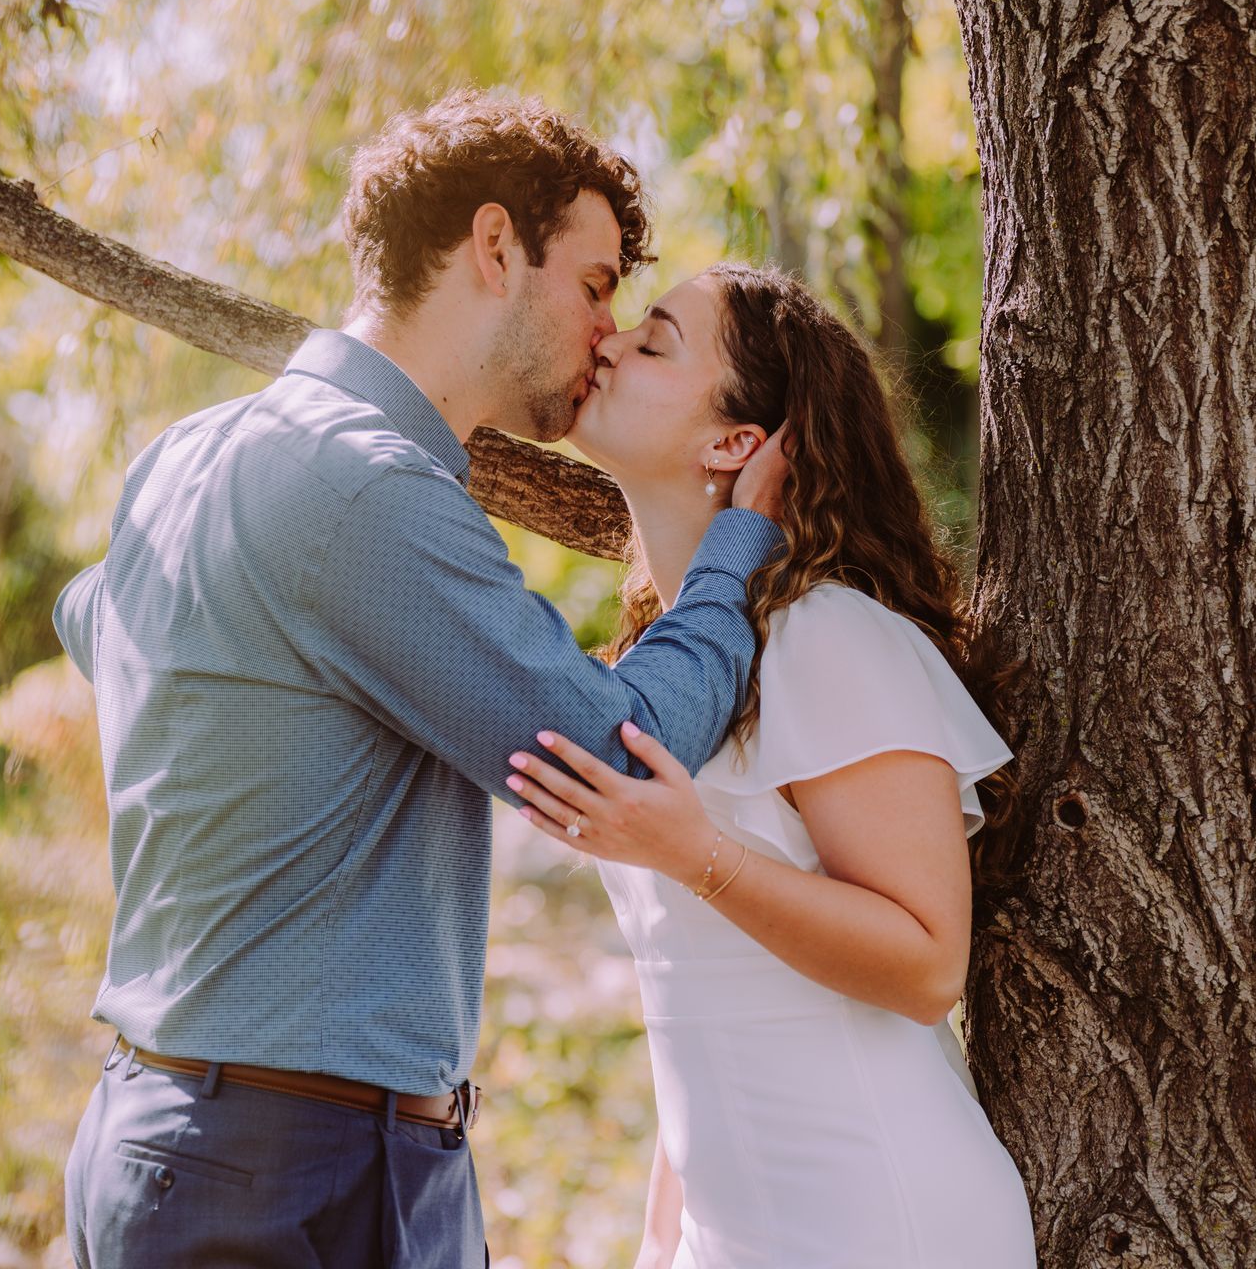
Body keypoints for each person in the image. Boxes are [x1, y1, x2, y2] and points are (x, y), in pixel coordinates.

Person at [54, 92, 792, 1268]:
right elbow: (619, 753)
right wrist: (746, 545)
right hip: (289, 1174)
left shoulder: (185, 456)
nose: (608, 331)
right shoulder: (365, 487)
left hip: (189, 1141)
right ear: (496, 248)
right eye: (596, 284)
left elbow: (88, 615)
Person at [505, 263, 1038, 1268]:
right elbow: (698, 1001)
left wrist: (697, 853)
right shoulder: (646, 676)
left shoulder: (825, 636)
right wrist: (665, 1237)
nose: (610, 341)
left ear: (736, 443)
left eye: (654, 341)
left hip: (880, 1219)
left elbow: (928, 962)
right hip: (732, 1231)